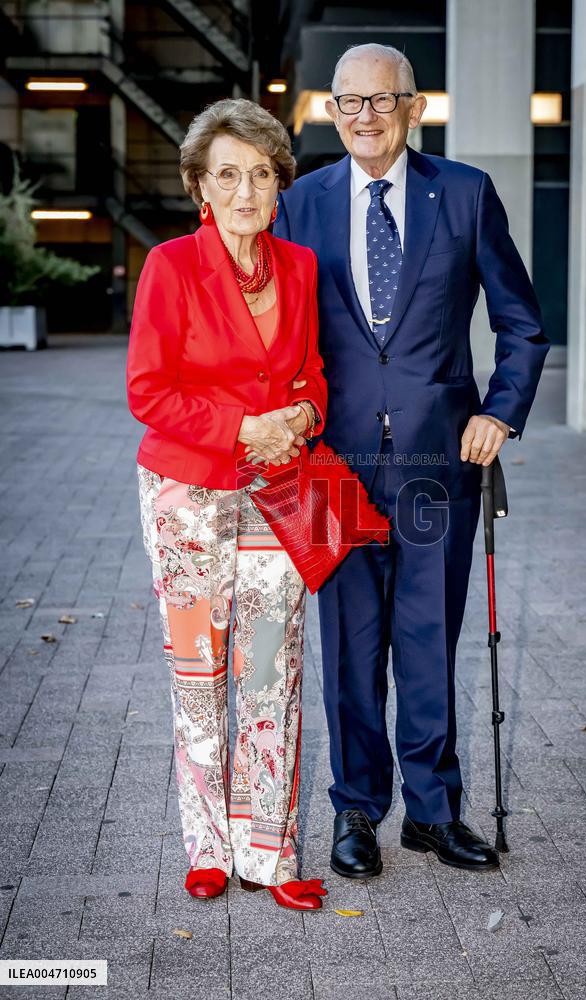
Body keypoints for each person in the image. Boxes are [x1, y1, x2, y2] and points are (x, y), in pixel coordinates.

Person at [273, 43, 549, 878]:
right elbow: (275, 335)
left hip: (435, 460)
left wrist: (499, 413)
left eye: (380, 101)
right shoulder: (301, 204)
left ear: (415, 106)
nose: (362, 116)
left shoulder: (463, 194)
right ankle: (356, 811)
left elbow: (522, 322)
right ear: (332, 112)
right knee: (352, 648)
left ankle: (432, 813)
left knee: (428, 641)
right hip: (330, 464)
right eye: (346, 102)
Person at [126, 98, 328, 910]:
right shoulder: (171, 266)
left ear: (279, 185)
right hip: (187, 495)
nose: (247, 191)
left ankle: (270, 856)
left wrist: (304, 416)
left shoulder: (303, 267)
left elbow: (314, 373)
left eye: (261, 175)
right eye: (228, 175)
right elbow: (148, 391)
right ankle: (208, 846)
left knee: (272, 671)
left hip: (281, 492)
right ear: (198, 187)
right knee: (199, 674)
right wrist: (247, 427)